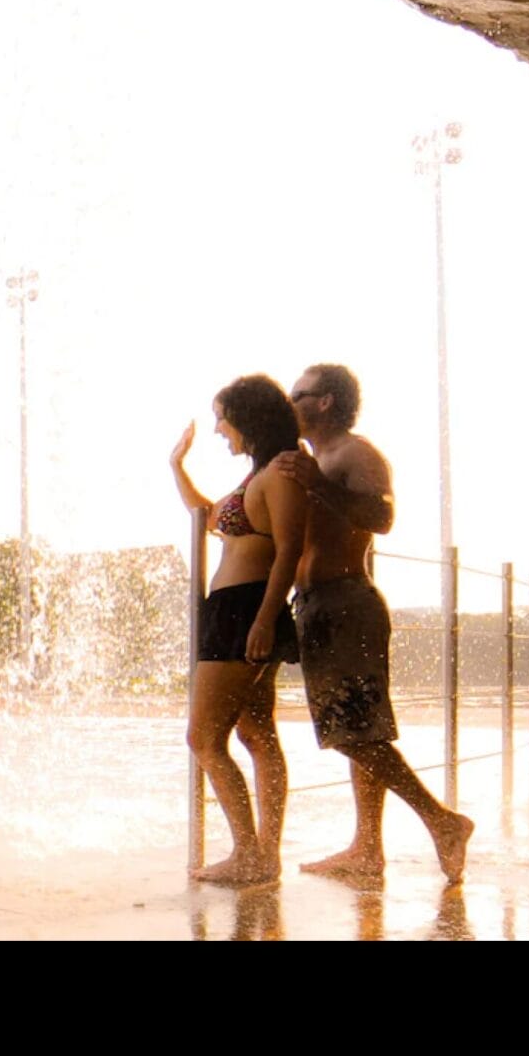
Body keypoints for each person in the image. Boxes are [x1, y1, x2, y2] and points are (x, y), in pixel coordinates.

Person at [269, 363, 475, 884]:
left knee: (349, 732)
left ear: (326, 402)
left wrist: (319, 485)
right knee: (361, 729)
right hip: (319, 604)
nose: (290, 401)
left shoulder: (354, 454)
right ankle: (367, 848)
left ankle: (442, 821)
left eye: (299, 393)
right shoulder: (315, 458)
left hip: (345, 604)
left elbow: (382, 517)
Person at [167, 376, 308, 888]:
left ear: (248, 418)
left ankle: (251, 852)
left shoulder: (279, 474)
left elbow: (289, 552)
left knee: (203, 737)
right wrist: (176, 465)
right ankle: (263, 854)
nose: (217, 428)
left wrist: (266, 619)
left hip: (245, 610)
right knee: (256, 732)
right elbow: (206, 517)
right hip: (234, 608)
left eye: (222, 416)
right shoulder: (256, 479)